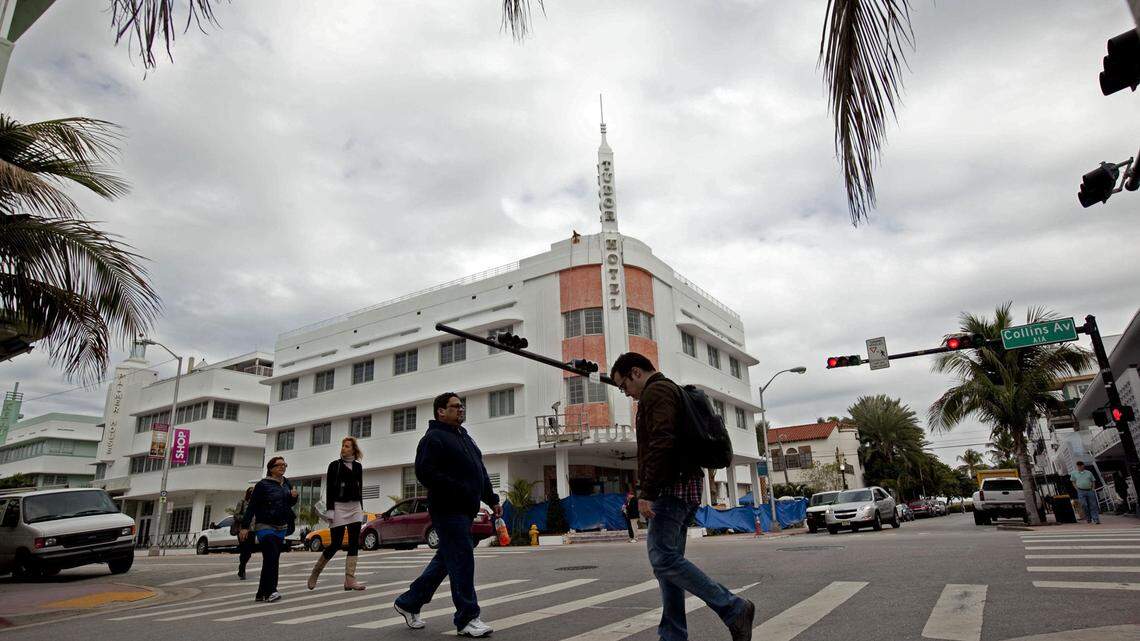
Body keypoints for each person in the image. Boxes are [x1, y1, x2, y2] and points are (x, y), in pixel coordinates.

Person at [611, 352, 755, 641]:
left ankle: (732, 607)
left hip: (670, 488)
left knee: (662, 559)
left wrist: (646, 493)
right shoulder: (670, 390)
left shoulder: (657, 392)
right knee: (669, 567)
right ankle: (673, 636)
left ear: (636, 373)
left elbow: (663, 441)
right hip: (683, 485)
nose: (625, 393)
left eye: (623, 385)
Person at [392, 393, 502, 638]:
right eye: (455, 406)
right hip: (447, 509)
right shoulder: (433, 439)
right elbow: (425, 472)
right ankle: (467, 618)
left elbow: (479, 471)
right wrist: (458, 488)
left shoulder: (464, 437)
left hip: (465, 510)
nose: (460, 410)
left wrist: (492, 499)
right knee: (462, 559)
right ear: (441, 411)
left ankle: (409, 602)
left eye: (461, 406)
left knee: (447, 560)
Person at [307, 436, 367, 591]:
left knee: (354, 542)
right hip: (338, 506)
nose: (344, 448)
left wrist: (361, 507)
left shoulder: (358, 467)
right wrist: (331, 510)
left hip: (355, 507)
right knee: (335, 543)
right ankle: (315, 572)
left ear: (353, 449)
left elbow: (360, 488)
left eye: (347, 446)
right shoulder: (334, 466)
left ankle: (350, 580)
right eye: (343, 446)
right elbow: (331, 489)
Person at [240, 456, 298, 602]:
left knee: (272, 559)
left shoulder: (287, 483)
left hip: (281, 526)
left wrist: (294, 497)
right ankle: (272, 590)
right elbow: (251, 506)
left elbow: (289, 503)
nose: (282, 467)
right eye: (279, 465)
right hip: (265, 526)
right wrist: (245, 527)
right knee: (271, 556)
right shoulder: (262, 485)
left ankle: (261, 593)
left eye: (284, 465)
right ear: (271, 468)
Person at [233, 487, 256, 580]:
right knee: (244, 550)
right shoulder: (242, 503)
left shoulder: (257, 504)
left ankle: (242, 565)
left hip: (253, 531)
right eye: (251, 492)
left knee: (249, 552)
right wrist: (246, 518)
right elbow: (236, 515)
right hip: (242, 530)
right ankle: (242, 570)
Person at [1070, 461, 1100, 525]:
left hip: (1089, 490)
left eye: (1081, 465)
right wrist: (1077, 488)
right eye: (1078, 466)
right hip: (1081, 491)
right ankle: (1088, 518)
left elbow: (1093, 481)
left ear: (1083, 466)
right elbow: (1073, 481)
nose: (1080, 467)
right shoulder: (1074, 473)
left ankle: (1096, 519)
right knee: (1084, 504)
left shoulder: (1089, 473)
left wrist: (1093, 488)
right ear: (1077, 466)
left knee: (1093, 505)